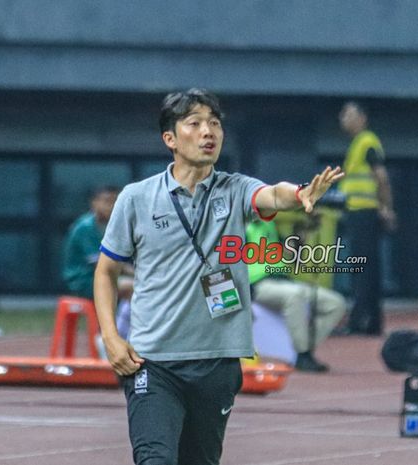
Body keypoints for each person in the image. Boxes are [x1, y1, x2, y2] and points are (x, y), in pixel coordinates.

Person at [94, 88, 343, 465]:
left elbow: (272, 195)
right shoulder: (136, 198)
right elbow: (106, 270)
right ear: (171, 139)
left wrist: (300, 193)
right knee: (154, 459)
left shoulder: (235, 188)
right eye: (194, 123)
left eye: (214, 123)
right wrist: (112, 338)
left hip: (216, 362)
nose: (208, 131)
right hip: (153, 361)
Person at [246, 220, 347, 372]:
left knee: (336, 303)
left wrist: (298, 242)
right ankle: (302, 353)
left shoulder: (270, 223)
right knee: (295, 295)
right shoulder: (239, 225)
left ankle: (303, 352)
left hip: (283, 280)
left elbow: (291, 258)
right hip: (257, 285)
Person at [335, 101, 396, 336]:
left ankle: (363, 320)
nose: (343, 119)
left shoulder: (367, 142)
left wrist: (386, 208)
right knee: (366, 268)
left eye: (348, 114)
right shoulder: (357, 144)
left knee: (363, 268)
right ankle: (369, 321)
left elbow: (381, 177)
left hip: (364, 212)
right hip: (359, 212)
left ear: (362, 117)